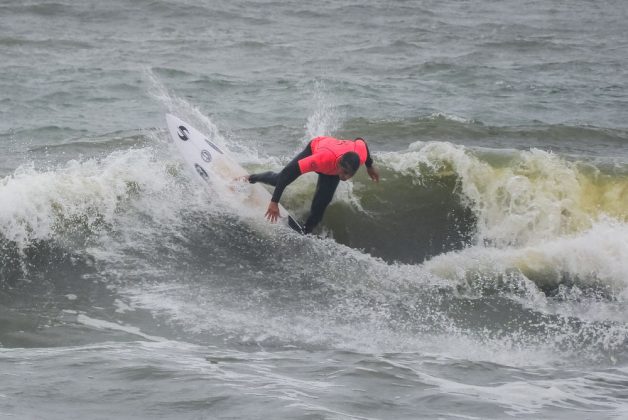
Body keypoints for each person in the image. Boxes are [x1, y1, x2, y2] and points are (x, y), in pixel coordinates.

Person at [246, 136, 380, 234]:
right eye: (343, 172)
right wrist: (274, 202)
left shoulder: (359, 156)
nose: (344, 177)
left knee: (320, 206)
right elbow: (286, 175)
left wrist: (369, 166)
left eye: (348, 174)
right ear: (339, 164)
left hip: (334, 163)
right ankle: (251, 177)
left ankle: (305, 233)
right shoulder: (320, 159)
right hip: (318, 148)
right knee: (278, 180)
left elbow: (361, 142)